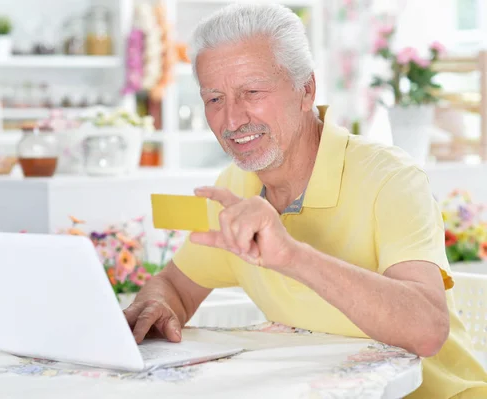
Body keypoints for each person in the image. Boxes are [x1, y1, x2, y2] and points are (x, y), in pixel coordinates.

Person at [123, 4, 487, 398]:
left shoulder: (391, 179)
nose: (231, 120)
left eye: (252, 92)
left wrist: (292, 256)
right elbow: (174, 287)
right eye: (214, 99)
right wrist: (156, 307)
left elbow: (427, 330)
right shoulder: (235, 187)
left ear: (306, 90)